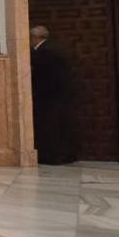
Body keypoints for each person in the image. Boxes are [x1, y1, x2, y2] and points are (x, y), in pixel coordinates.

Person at [30, 25, 76, 165]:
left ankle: (52, 156)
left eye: (30, 38)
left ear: (36, 38)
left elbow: (43, 75)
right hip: (58, 95)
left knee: (51, 127)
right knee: (58, 126)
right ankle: (64, 155)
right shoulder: (53, 48)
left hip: (49, 96)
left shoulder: (45, 51)